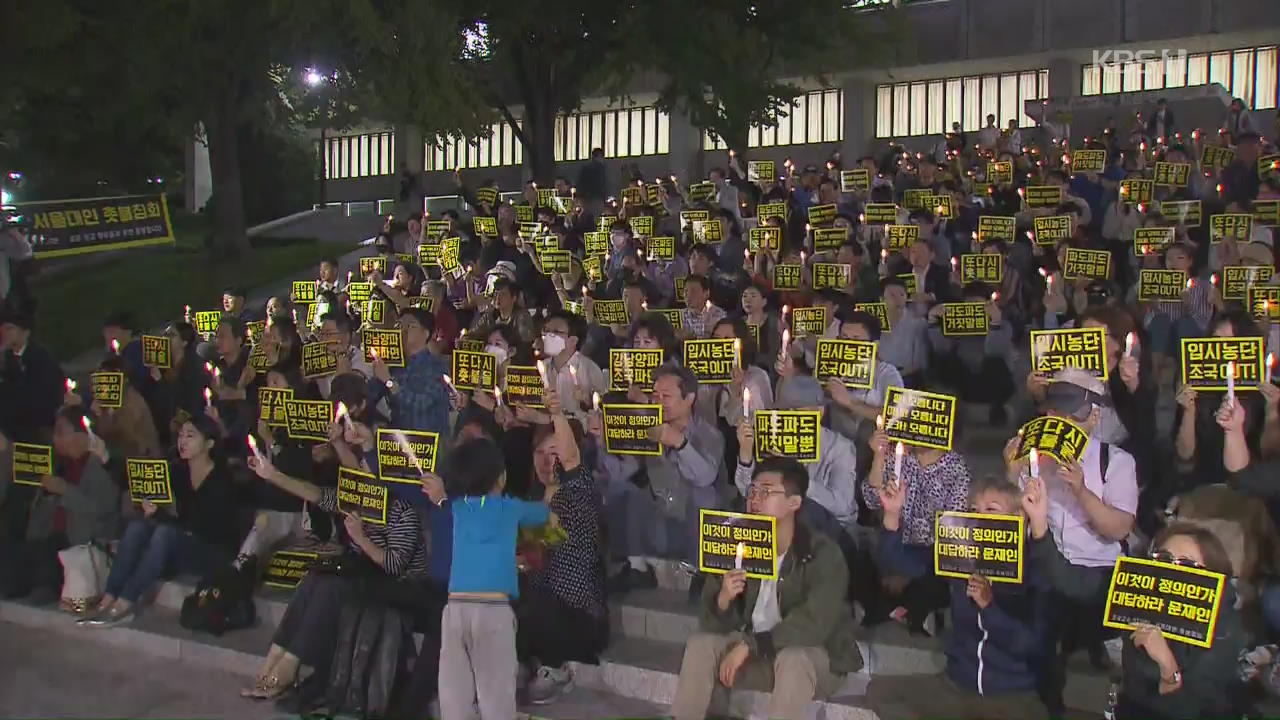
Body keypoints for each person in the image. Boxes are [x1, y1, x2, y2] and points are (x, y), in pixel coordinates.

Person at [241, 418, 428, 702]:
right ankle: (272, 663)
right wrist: (273, 475)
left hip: (399, 586)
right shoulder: (356, 497)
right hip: (364, 574)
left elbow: (394, 566)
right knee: (314, 578)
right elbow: (315, 494)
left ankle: (290, 668)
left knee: (332, 588)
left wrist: (361, 538)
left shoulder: (403, 512)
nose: (358, 474)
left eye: (364, 469)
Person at [669, 457, 863, 720]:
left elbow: (813, 625)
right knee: (701, 643)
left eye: (766, 492)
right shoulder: (738, 541)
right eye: (753, 491)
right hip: (759, 657)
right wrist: (724, 598)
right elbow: (711, 623)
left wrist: (750, 645)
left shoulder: (823, 553)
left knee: (795, 659)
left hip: (816, 661)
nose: (755, 499)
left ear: (794, 502)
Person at [1006, 370, 1139, 714]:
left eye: (1069, 414)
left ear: (1094, 415)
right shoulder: (1036, 460)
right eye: (1053, 413)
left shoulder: (1118, 462)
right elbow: (1009, 523)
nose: (1060, 421)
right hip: (1048, 561)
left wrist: (1081, 490)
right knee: (1044, 613)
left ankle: (1090, 647)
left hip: (1099, 569)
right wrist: (1012, 473)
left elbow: (1119, 529)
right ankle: (1048, 697)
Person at [867, 475, 1052, 720]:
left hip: (1011, 696)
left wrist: (989, 606)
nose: (979, 517)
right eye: (973, 510)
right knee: (879, 692)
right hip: (956, 687)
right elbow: (899, 563)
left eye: (991, 510)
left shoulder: (1033, 567)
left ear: (1018, 518)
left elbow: (1032, 645)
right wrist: (892, 514)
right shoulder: (958, 555)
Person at [83, 414, 240, 626]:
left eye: (190, 436)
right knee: (138, 527)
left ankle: (125, 603)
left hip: (213, 552)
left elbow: (200, 529)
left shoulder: (221, 480)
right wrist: (104, 456)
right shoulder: (180, 470)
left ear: (209, 443)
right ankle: (109, 596)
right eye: (181, 435)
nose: (182, 441)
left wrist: (159, 515)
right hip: (186, 542)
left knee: (164, 533)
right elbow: (135, 481)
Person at [437, 437, 552, 720]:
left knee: (454, 698)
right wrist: (551, 487)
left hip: (454, 612)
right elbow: (544, 513)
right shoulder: (509, 508)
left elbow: (442, 498)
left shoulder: (458, 508)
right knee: (496, 696)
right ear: (501, 477)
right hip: (493, 613)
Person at [598, 364, 725, 594]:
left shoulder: (709, 434)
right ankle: (637, 569)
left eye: (666, 396)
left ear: (689, 399)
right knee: (622, 489)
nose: (658, 401)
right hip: (658, 522)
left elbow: (706, 477)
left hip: (692, 527)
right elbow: (621, 473)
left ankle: (701, 574)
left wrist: (680, 443)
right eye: (655, 395)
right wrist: (604, 445)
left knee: (704, 494)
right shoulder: (647, 428)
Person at [514, 388, 606, 704]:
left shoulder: (577, 494)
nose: (546, 460)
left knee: (544, 609)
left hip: (578, 614)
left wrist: (555, 413)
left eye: (553, 452)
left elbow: (570, 459)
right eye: (539, 453)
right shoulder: (531, 502)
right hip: (539, 601)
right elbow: (529, 559)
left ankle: (556, 670)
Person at [0, 406, 119, 605]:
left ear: (82, 436)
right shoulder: (58, 464)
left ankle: (44, 588)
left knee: (49, 550)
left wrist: (65, 490)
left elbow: (101, 509)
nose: (55, 439)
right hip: (48, 534)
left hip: (81, 538)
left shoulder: (100, 466)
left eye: (61, 432)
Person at [368, 308, 451, 438]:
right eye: (399, 325)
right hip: (398, 441)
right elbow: (368, 398)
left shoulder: (436, 366)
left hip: (427, 444)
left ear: (426, 333)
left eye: (410, 326)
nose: (403, 330)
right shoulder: (393, 365)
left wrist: (388, 381)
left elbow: (421, 404)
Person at [0, 310, 65, 442]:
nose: (4, 333)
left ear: (25, 333)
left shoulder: (41, 357)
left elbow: (43, 393)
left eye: (10, 329)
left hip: (37, 425)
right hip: (10, 425)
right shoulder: (6, 358)